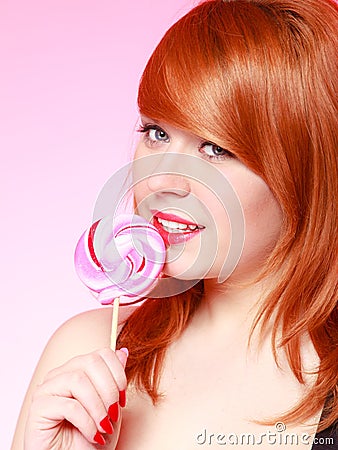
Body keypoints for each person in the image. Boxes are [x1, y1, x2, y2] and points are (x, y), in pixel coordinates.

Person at [12, 0, 337, 448]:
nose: (162, 179)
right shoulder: (81, 355)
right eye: (156, 132)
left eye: (216, 148)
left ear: (309, 171)